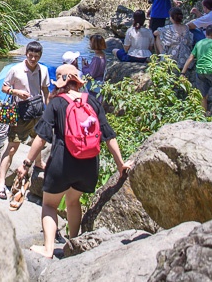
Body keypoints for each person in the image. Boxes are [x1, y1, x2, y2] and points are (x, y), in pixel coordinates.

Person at [16, 64, 129, 259]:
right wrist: (121, 165)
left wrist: (26, 163)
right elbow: (109, 135)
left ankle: (48, 249)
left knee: (50, 205)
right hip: (88, 164)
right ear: (78, 82)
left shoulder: (57, 103)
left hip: (62, 162)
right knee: (73, 201)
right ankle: (73, 244)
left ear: (60, 83)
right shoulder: (92, 101)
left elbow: (41, 137)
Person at [0, 41, 50, 200]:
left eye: (36, 56)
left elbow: (45, 91)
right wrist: (16, 91)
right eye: (30, 55)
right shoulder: (16, 70)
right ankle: (1, 181)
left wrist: (50, 110)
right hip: (20, 113)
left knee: (39, 140)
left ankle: (38, 162)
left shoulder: (43, 70)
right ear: (26, 54)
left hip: (37, 111)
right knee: (12, 147)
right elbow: (4, 88)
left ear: (40, 56)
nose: (33, 58)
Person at [182, 25, 212, 112]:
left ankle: (203, 114)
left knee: (203, 95)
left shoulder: (199, 43)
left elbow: (190, 58)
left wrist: (183, 73)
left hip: (199, 71)